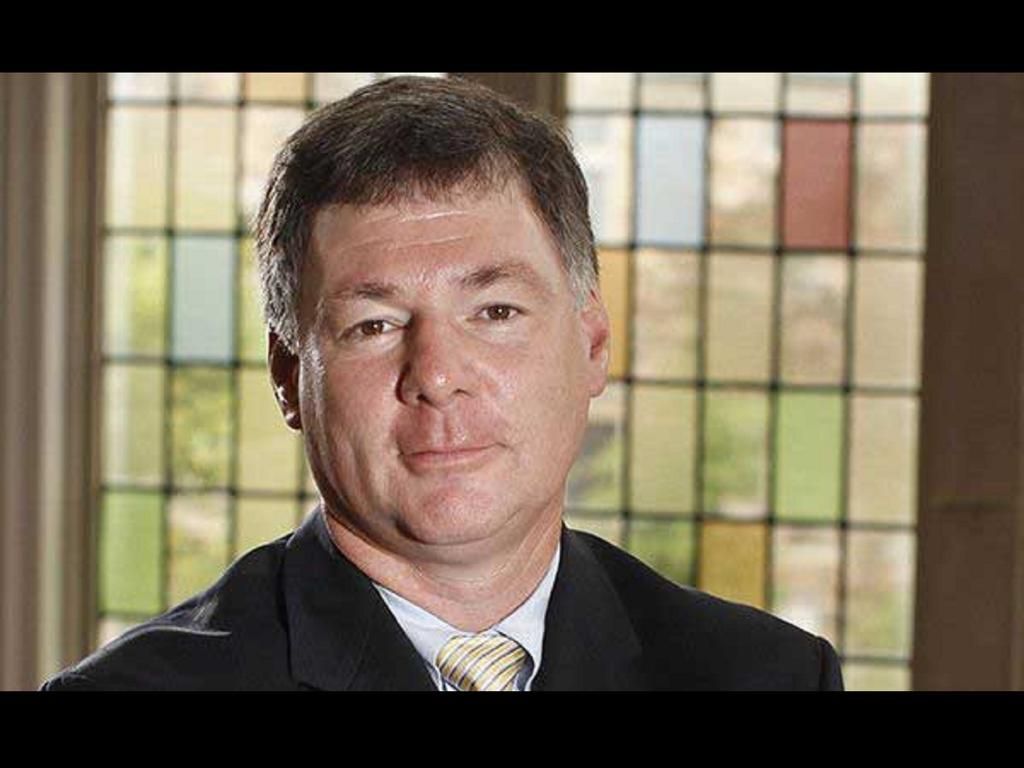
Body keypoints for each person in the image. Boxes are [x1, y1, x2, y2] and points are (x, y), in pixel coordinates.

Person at [43, 75, 843, 691]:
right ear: (289, 378)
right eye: (374, 325)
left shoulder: (771, 677)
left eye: (495, 311)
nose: (436, 376)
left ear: (593, 343)